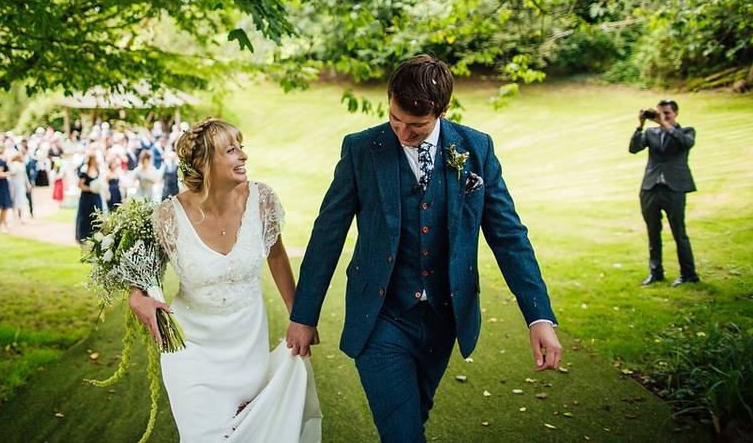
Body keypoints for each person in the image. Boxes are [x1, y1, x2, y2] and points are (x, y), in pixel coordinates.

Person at [285, 54, 561, 443]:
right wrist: (304, 314)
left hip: (443, 320)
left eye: (416, 126)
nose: (402, 132)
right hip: (380, 316)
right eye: (395, 119)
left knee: (414, 421)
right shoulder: (361, 149)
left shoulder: (475, 149)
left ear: (442, 111)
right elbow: (328, 233)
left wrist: (540, 318)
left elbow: (509, 236)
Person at [130, 118, 321, 442]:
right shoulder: (167, 217)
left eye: (241, 147)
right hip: (190, 351)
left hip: (248, 348)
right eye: (231, 150)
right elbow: (141, 272)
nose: (243, 156)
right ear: (203, 163)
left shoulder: (262, 200)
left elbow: (276, 256)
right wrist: (137, 297)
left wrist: (299, 315)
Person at [630, 99, 699, 286]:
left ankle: (688, 274)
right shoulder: (651, 133)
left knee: (679, 233)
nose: (663, 116)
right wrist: (640, 125)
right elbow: (633, 149)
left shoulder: (686, 131)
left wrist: (665, 124)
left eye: (667, 113)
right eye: (660, 113)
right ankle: (656, 272)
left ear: (675, 113)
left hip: (674, 188)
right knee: (653, 233)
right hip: (650, 188)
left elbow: (686, 143)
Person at [75, 154, 102, 242]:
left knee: (97, 214)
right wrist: (90, 189)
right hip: (87, 197)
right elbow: (79, 185)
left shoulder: (97, 170)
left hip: (96, 196)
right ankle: (84, 235)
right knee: (85, 216)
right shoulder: (85, 170)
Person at [8, 151, 31, 222]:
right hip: (15, 184)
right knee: (15, 199)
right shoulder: (14, 164)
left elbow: (24, 175)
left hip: (19, 184)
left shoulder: (20, 165)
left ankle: (18, 216)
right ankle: (15, 215)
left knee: (19, 199)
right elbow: (12, 173)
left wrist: (27, 184)